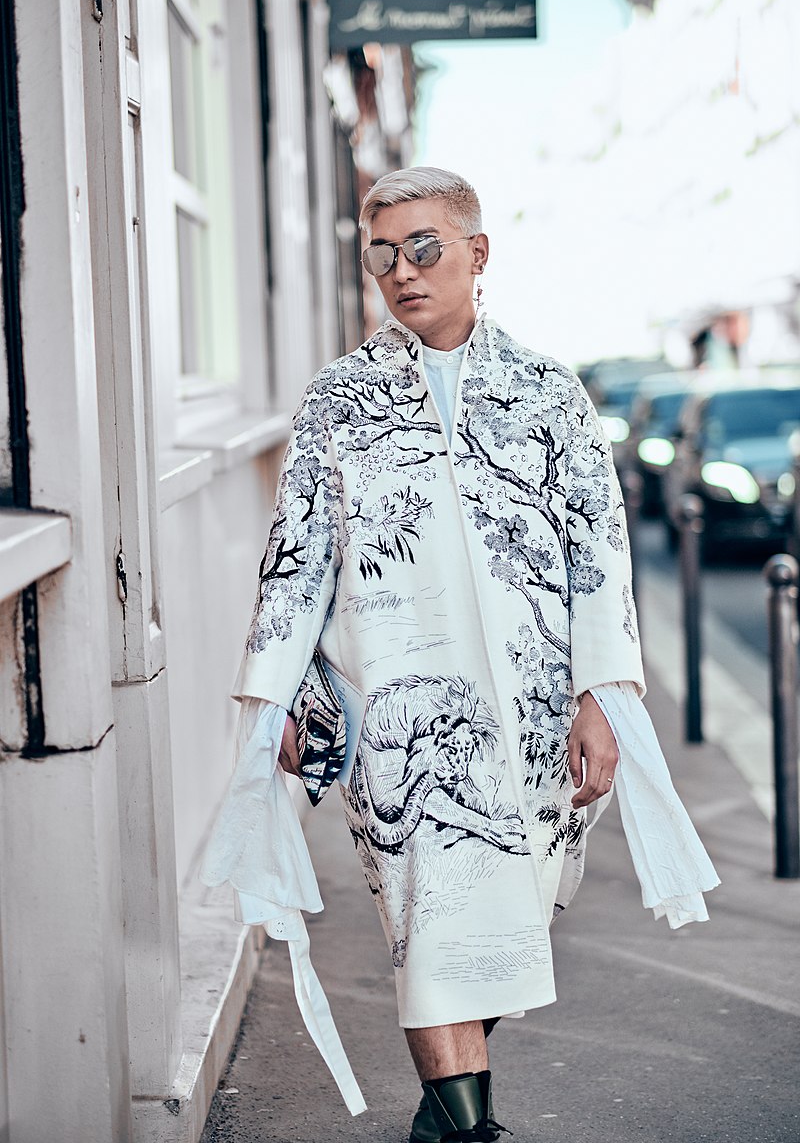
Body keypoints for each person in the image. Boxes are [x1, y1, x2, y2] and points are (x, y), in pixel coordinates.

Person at [201, 167, 719, 1143]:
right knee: (432, 923)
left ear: (478, 255)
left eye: (423, 247)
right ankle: (474, 1131)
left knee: (504, 926)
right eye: (382, 253)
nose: (401, 271)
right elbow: (296, 556)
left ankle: (442, 1120)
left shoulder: (547, 397)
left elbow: (596, 551)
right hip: (392, 716)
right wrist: (273, 702)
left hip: (534, 720)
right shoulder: (336, 401)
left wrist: (601, 696)